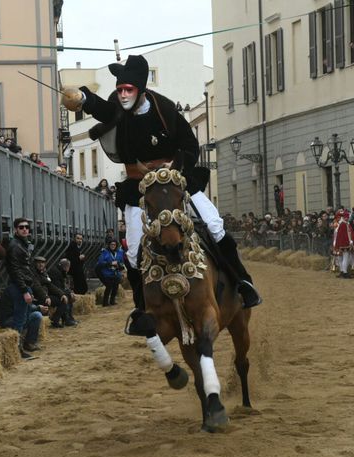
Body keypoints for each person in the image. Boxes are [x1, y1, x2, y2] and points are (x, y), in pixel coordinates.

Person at [61, 54, 260, 336]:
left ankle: (243, 283)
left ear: (140, 90)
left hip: (176, 181)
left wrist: (175, 165)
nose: (123, 95)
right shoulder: (119, 109)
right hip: (138, 187)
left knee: (214, 225)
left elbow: (191, 146)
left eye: (128, 90)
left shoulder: (165, 110)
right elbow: (102, 109)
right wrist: (82, 98)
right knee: (132, 252)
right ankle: (142, 309)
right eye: (119, 90)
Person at [4, 218, 39, 359]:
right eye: (21, 227)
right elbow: (15, 271)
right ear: (15, 230)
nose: (25, 229)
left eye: (26, 227)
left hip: (22, 285)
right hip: (19, 287)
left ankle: (19, 349)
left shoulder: (22, 244)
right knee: (20, 320)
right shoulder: (15, 246)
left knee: (23, 318)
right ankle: (17, 350)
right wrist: (24, 290)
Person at [48, 258, 78, 327]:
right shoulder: (56, 272)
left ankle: (69, 318)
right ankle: (66, 320)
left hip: (55, 291)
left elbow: (62, 287)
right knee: (66, 298)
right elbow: (57, 287)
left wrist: (69, 291)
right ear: (66, 267)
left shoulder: (59, 271)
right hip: (52, 293)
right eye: (69, 267)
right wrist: (68, 293)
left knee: (68, 295)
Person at [96, 239, 125, 306]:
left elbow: (121, 262)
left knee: (116, 285)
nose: (113, 246)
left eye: (114, 244)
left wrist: (119, 265)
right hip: (105, 272)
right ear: (109, 245)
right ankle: (105, 303)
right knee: (109, 286)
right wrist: (110, 263)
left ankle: (112, 301)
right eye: (111, 244)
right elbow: (100, 262)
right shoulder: (104, 252)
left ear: (116, 245)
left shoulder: (120, 252)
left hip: (115, 272)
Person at [332, 210, 354, 278]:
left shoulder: (341, 224)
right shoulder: (344, 224)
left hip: (339, 244)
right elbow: (346, 235)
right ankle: (345, 272)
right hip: (344, 244)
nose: (347, 218)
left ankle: (342, 271)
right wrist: (350, 242)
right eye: (346, 217)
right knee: (345, 258)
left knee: (340, 258)